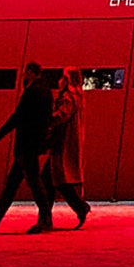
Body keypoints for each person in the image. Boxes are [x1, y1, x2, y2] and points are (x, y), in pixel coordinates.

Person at [0, 65, 69, 234]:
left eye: (27, 72)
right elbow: (44, 119)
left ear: (32, 73)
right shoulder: (45, 92)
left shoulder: (33, 92)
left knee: (32, 184)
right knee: (14, 184)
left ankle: (45, 220)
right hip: (32, 144)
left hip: (26, 145)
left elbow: (19, 116)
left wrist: (1, 133)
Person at [47, 65, 90, 229]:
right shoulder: (79, 97)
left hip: (61, 143)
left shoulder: (68, 97)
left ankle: (79, 207)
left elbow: (61, 116)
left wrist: (46, 120)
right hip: (66, 142)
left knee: (56, 180)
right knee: (52, 180)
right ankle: (46, 216)